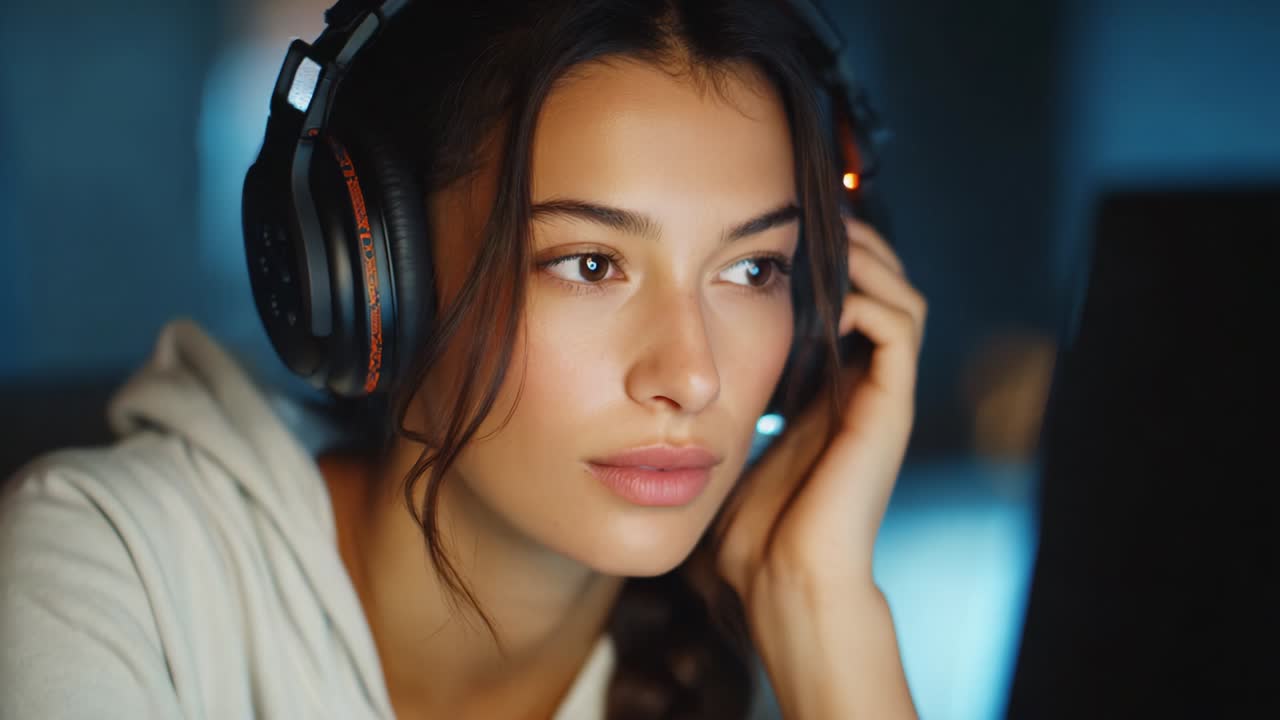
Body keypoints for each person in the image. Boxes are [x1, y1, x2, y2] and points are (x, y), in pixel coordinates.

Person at [0, 1, 926, 717]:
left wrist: (823, 610)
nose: (692, 377)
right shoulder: (116, 576)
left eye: (753, 268)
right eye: (590, 265)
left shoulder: (774, 650)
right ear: (372, 278)